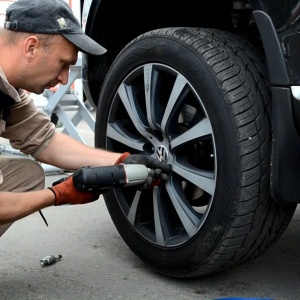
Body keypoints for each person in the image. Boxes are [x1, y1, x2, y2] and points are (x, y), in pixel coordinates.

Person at [0, 0, 171, 236]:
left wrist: (122, 160)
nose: (63, 78)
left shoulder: (8, 90)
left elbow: (45, 140)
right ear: (31, 47)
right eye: (63, 64)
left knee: (26, 175)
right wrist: (57, 195)